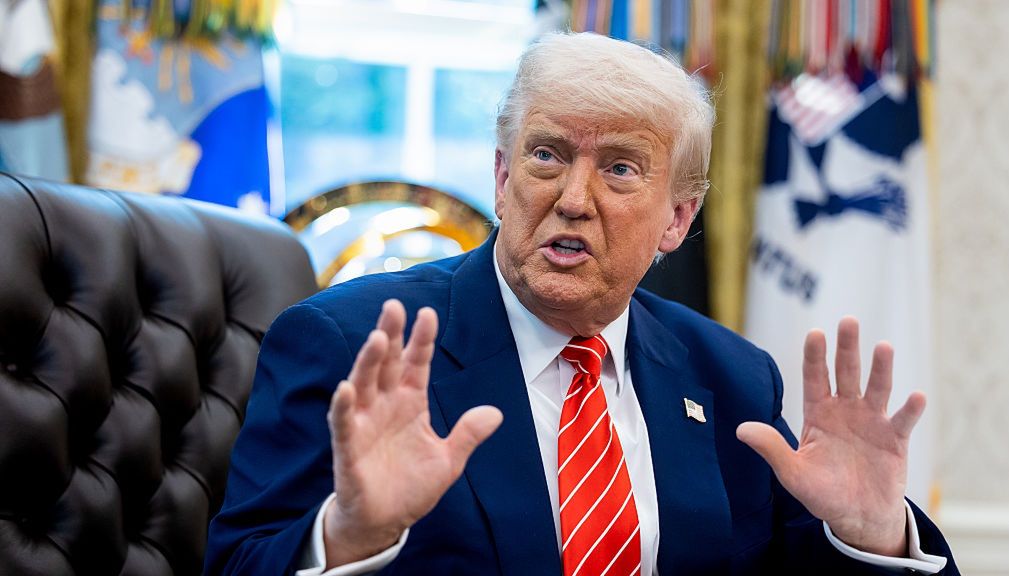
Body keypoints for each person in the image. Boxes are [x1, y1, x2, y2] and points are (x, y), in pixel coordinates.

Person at [205, 32, 958, 575]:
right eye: (547, 155)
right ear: (502, 178)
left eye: (621, 169)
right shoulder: (351, 345)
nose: (572, 199)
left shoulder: (730, 378)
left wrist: (875, 536)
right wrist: (346, 536)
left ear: (676, 219)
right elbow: (238, 562)